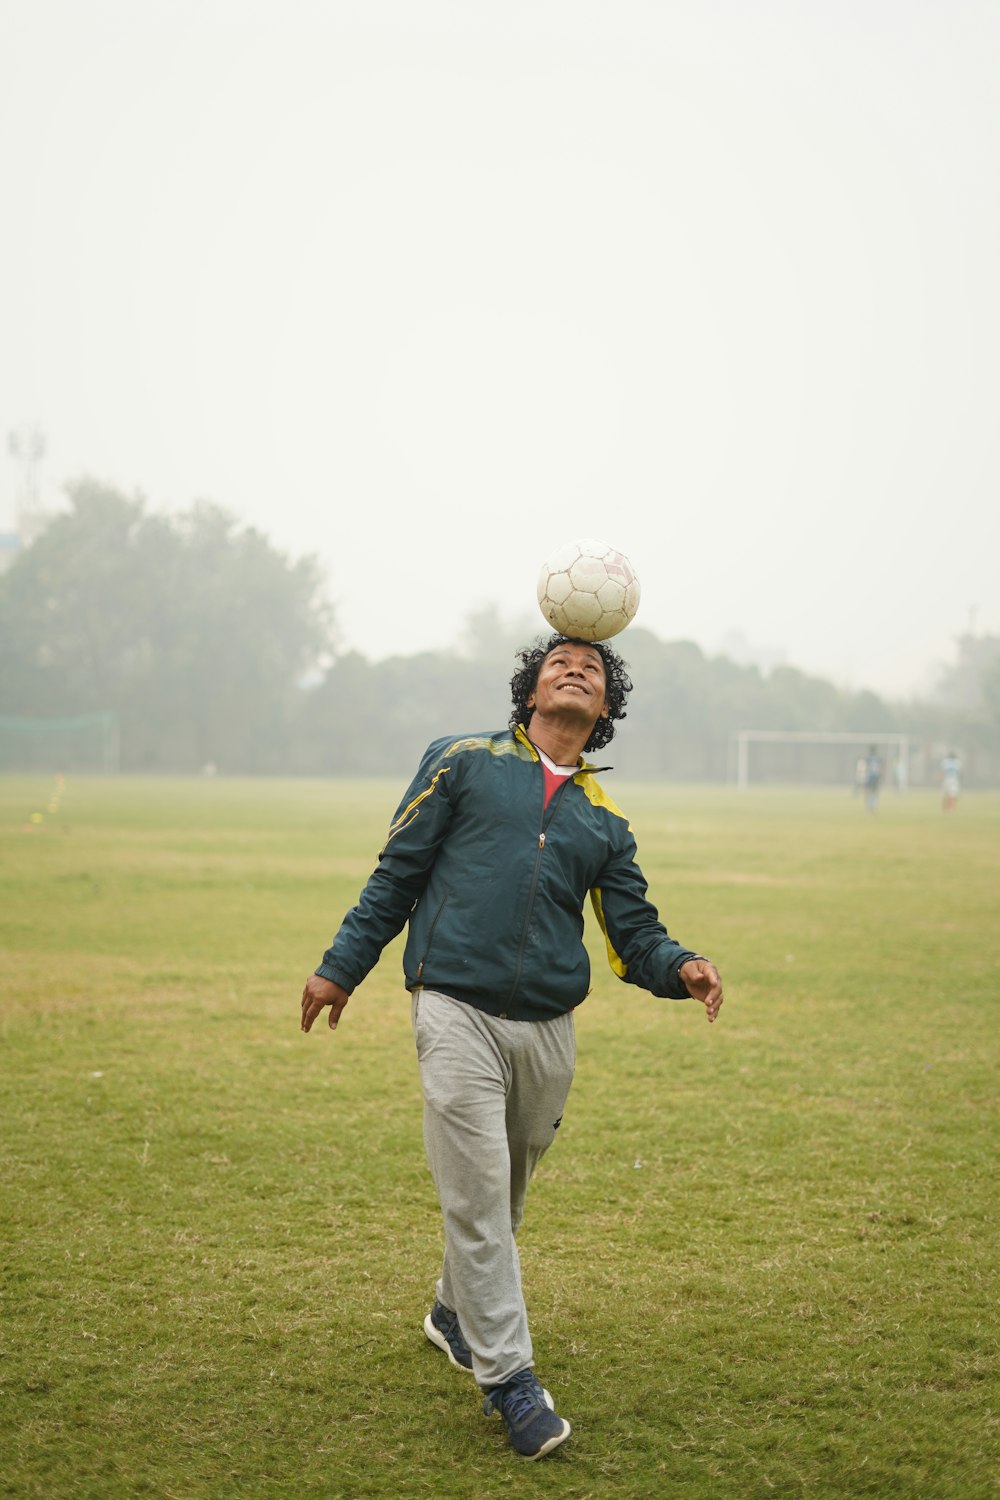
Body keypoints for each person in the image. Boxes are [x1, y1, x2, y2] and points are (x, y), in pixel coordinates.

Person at [300, 634, 724, 1461]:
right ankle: (510, 1384)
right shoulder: (461, 761)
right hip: (452, 1004)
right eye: (560, 660)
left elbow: (633, 934)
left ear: (604, 710)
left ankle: (454, 1315)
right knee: (479, 1196)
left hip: (547, 1028)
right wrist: (340, 967)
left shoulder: (604, 819)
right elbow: (398, 874)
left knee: (508, 1192)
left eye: (594, 669)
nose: (576, 668)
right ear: (530, 687)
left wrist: (683, 967)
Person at [863, 745, 882, 814]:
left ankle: (869, 808)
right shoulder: (878, 759)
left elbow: (866, 768)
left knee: (868, 792)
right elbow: (879, 769)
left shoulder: (868, 759)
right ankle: (873, 807)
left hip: (870, 777)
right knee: (875, 793)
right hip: (876, 777)